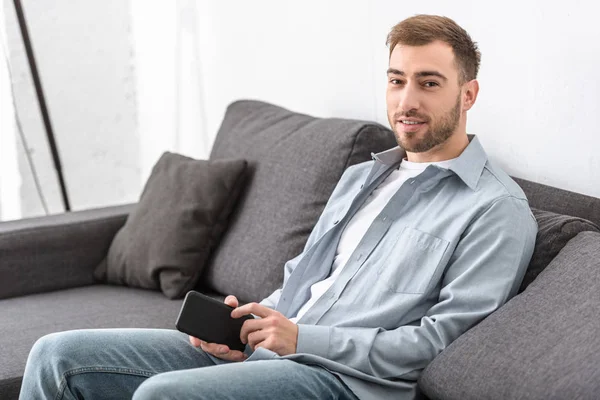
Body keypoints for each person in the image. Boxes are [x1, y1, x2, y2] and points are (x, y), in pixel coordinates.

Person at [19, 14, 537, 400]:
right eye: (396, 79)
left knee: (163, 396)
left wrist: (300, 339)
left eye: (429, 83)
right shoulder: (364, 174)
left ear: (467, 94)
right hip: (271, 353)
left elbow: (441, 346)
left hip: (343, 382)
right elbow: (304, 282)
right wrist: (246, 329)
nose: (406, 101)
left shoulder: (495, 209)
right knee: (55, 355)